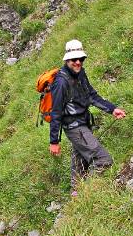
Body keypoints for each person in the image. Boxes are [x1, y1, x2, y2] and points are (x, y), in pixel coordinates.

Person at [49, 39, 126, 195]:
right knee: (104, 160)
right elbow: (55, 113)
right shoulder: (60, 83)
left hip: (83, 122)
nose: (78, 62)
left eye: (81, 59)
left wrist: (112, 109)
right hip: (75, 127)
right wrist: (54, 142)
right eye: (74, 60)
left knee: (79, 160)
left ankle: (76, 194)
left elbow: (91, 95)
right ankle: (89, 191)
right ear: (66, 60)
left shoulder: (80, 73)